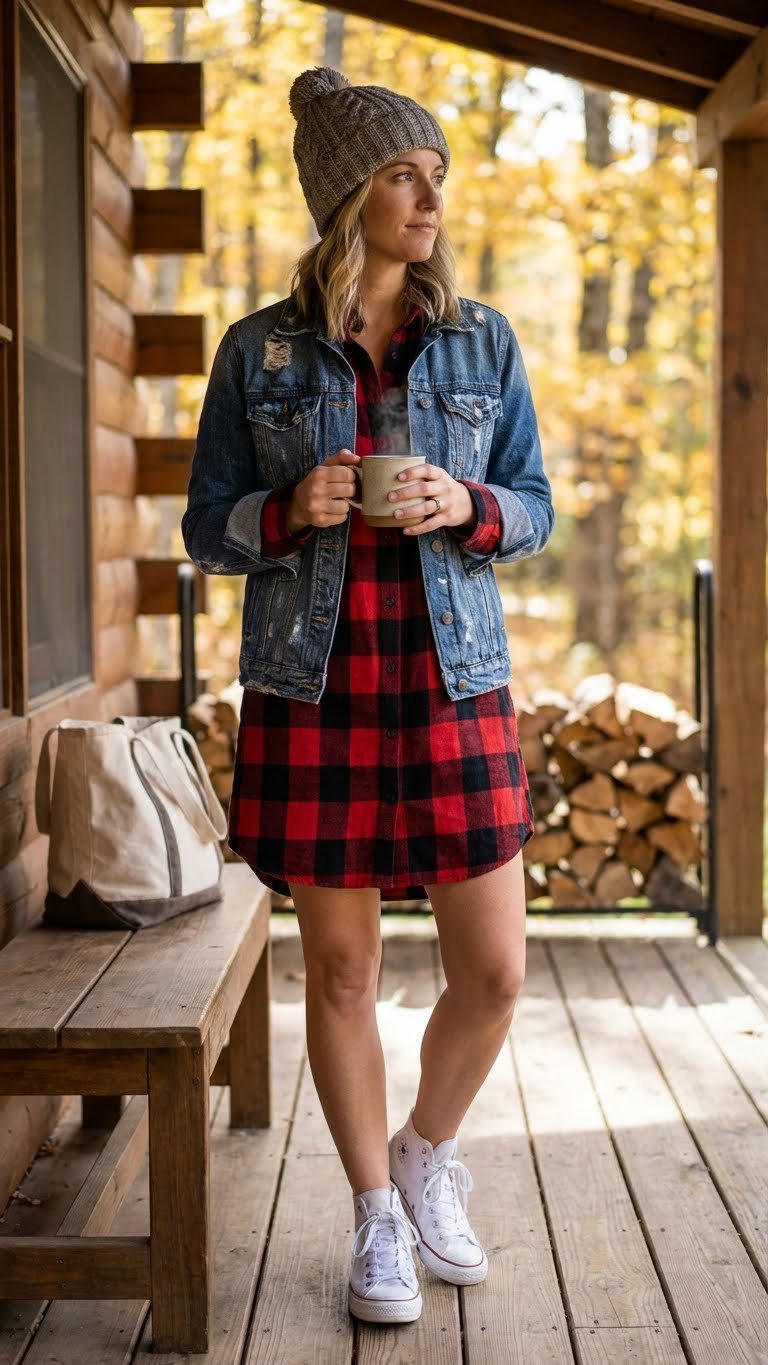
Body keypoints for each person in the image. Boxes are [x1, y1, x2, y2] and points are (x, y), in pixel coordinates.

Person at [182, 65, 553, 1325]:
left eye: (437, 172)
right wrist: (287, 511)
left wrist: (475, 508)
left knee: (495, 971)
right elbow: (207, 529)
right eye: (405, 172)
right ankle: (373, 1215)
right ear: (350, 195)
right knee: (339, 971)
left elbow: (536, 503)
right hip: (317, 684)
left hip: (454, 683)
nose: (430, 195)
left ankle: (427, 1152)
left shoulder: (483, 338)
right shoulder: (260, 351)